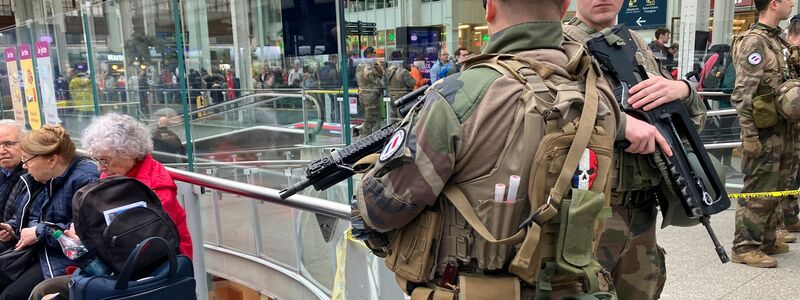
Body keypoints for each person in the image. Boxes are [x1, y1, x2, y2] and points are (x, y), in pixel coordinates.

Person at [354, 0, 624, 298]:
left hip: (473, 287)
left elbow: (382, 208)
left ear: (491, 7)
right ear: (564, 9)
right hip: (570, 287)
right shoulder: (598, 93)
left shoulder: (462, 93)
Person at [563, 0, 707, 298]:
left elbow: (689, 120)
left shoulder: (634, 43)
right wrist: (619, 122)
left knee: (643, 289)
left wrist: (682, 90)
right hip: (588, 207)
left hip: (642, 205)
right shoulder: (559, 45)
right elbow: (547, 115)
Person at [28, 113, 195, 300]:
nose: (99, 168)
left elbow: (142, 252)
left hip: (150, 273)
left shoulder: (154, 189)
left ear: (129, 151)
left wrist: (84, 242)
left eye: (104, 160)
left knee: (46, 292)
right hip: (119, 267)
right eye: (97, 160)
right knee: (44, 291)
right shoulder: (118, 176)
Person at [730, 0, 795, 268]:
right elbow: (742, 94)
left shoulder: (776, 41)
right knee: (758, 187)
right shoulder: (755, 43)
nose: (791, 3)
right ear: (774, 4)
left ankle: (766, 239)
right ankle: (744, 246)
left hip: (781, 128)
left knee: (777, 186)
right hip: (763, 130)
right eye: (787, 0)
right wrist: (750, 137)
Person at [0, 125, 99, 299]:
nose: (25, 166)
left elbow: (81, 235)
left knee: (11, 296)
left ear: (52, 160)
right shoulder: (45, 178)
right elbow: (31, 215)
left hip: (60, 257)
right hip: (38, 249)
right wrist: (13, 227)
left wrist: (39, 232)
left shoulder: (85, 180)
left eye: (28, 159)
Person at [0, 121, 26, 252]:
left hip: (17, 243)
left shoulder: (34, 173)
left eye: (8, 144)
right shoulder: (3, 171)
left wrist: (11, 226)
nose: (2, 151)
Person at [355, 47, 384, 137]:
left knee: (368, 119)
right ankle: (364, 140)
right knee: (371, 121)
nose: (375, 56)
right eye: (373, 54)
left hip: (363, 95)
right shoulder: (369, 67)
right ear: (369, 55)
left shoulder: (360, 65)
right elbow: (379, 83)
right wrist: (382, 73)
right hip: (371, 97)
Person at [385, 51, 416, 118]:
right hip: (402, 97)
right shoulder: (403, 71)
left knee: (393, 117)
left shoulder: (387, 71)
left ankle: (393, 128)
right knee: (402, 117)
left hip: (391, 96)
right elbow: (411, 83)